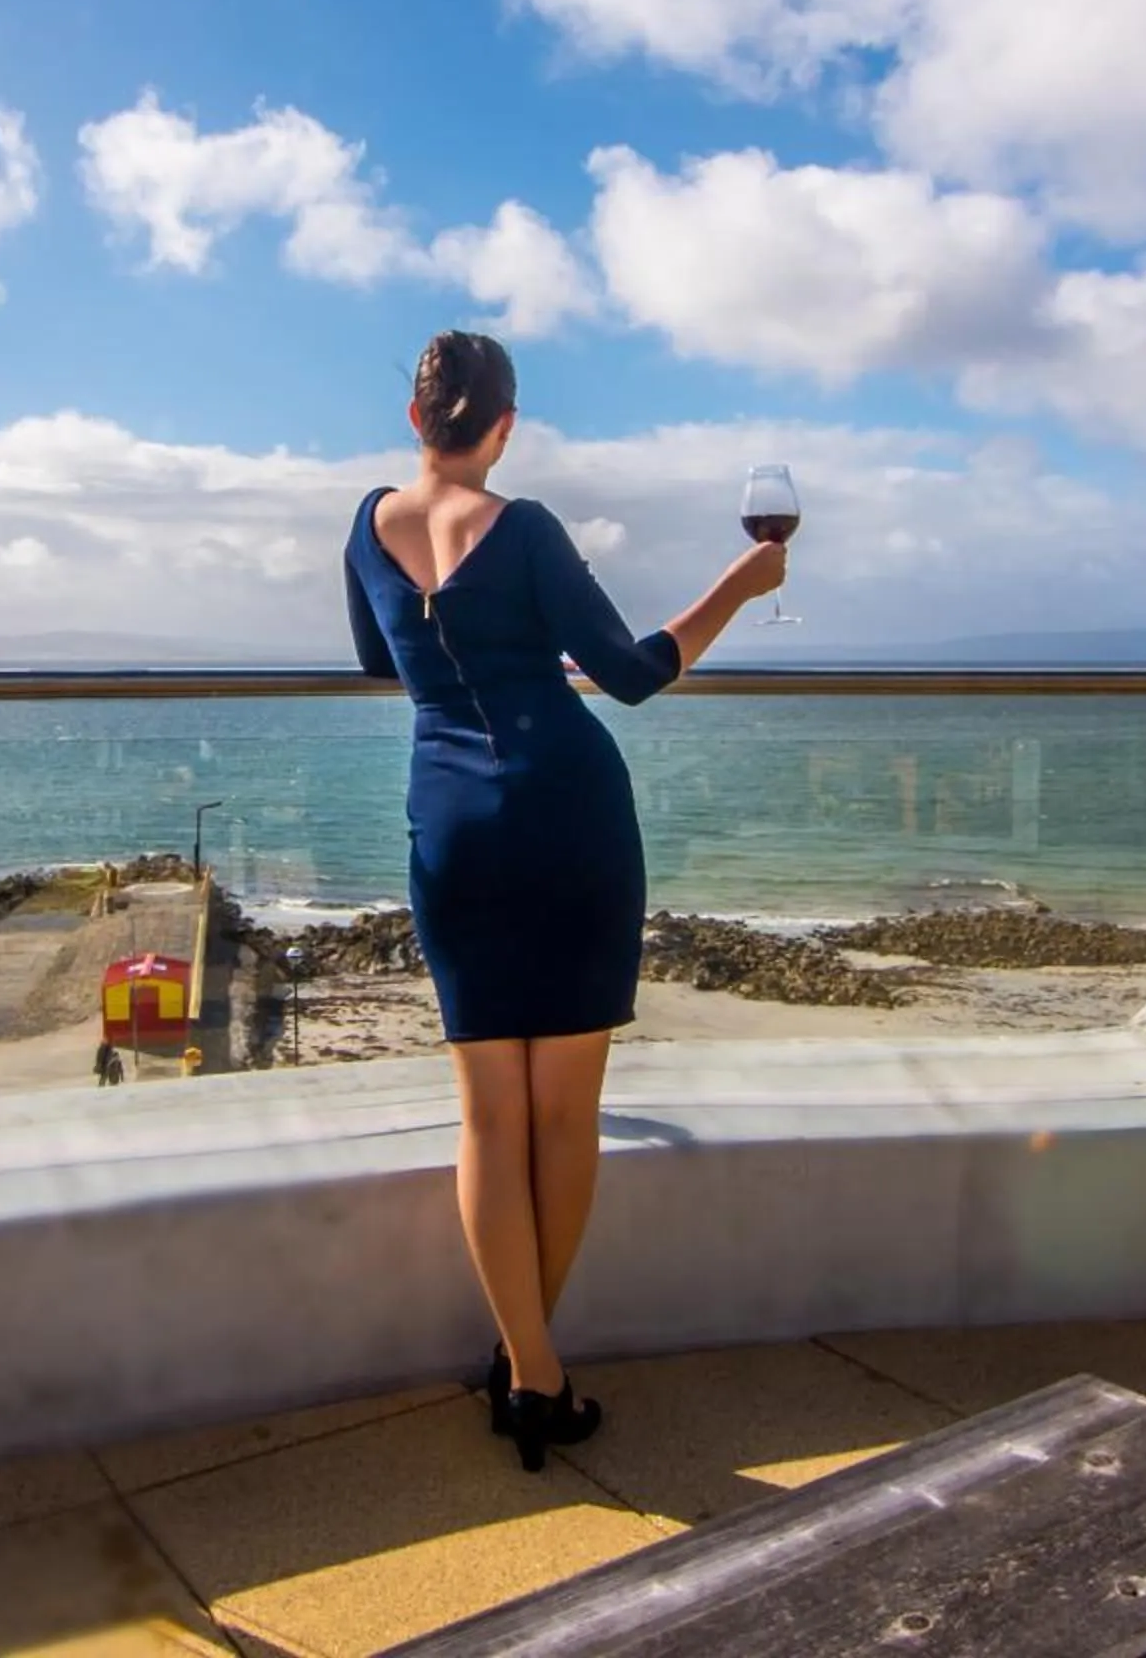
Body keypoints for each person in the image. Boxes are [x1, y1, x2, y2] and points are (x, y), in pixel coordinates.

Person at [342, 329, 785, 1472]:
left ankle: (526, 1363)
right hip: (569, 814)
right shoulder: (526, 526)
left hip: (449, 824)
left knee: (489, 1117)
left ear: (416, 420)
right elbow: (633, 673)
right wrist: (740, 582)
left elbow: (376, 661)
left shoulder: (368, 524)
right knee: (562, 1113)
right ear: (505, 425)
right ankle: (532, 1367)